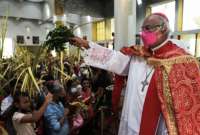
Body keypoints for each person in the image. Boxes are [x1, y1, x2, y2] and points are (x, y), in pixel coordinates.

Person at [69, 13, 200, 135]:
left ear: (163, 29)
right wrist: (87, 44)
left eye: (148, 29)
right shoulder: (137, 55)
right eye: (142, 30)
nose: (143, 34)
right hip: (130, 122)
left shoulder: (180, 61)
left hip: (157, 128)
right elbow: (114, 59)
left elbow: (187, 107)